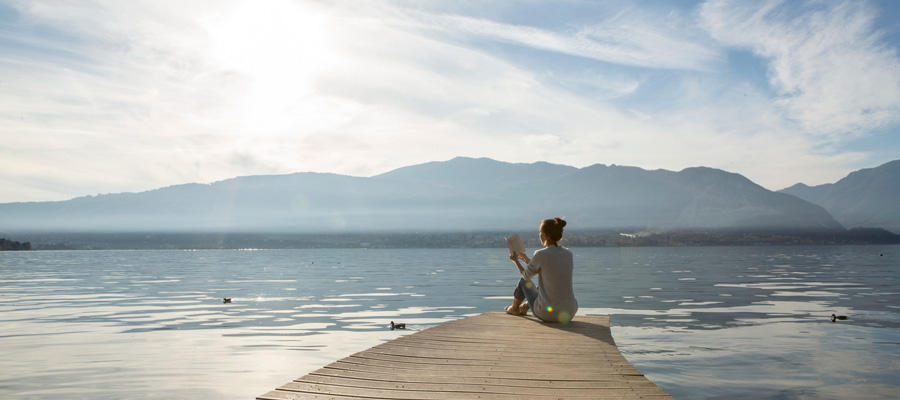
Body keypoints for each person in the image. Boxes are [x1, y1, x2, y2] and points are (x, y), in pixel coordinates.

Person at [506, 217, 578, 323]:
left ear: (545, 235)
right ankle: (525, 307)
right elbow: (548, 269)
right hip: (569, 312)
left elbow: (526, 276)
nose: (539, 235)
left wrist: (516, 261)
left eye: (540, 232)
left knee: (523, 282)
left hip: (548, 313)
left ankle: (514, 309)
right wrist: (526, 260)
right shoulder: (568, 254)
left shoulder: (541, 254)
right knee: (546, 283)